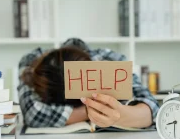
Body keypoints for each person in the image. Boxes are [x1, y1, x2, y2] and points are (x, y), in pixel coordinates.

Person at [17, 38, 159, 129]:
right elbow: (32, 114)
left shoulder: (108, 60)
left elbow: (153, 109)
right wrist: (90, 111)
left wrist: (120, 114)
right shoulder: (32, 66)